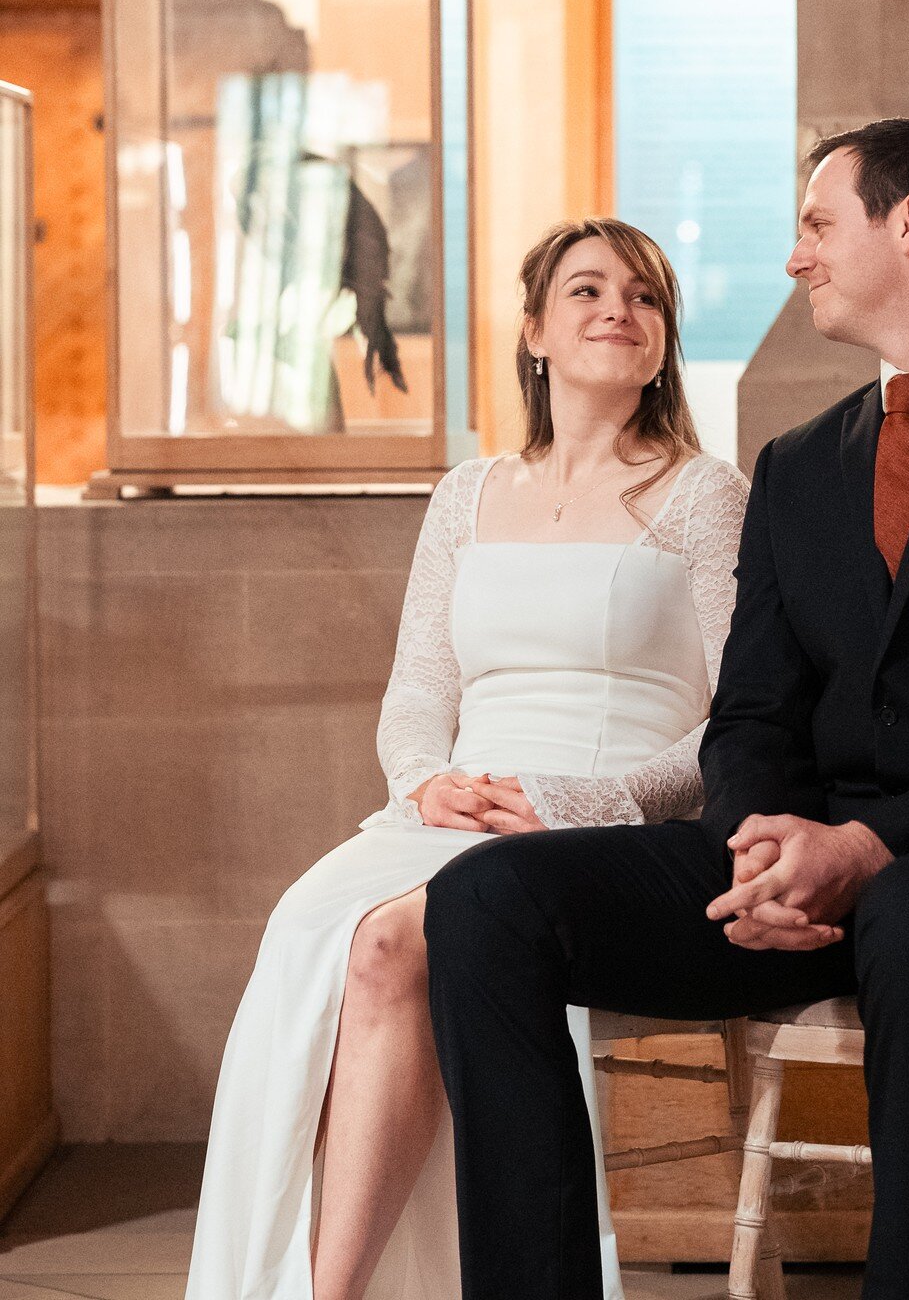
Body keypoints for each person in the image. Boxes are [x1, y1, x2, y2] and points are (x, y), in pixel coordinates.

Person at [425, 116, 909, 1300]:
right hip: (814, 858)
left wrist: (870, 845)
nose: (797, 258)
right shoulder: (800, 463)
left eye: (816, 225)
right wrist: (760, 845)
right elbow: (751, 717)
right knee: (484, 900)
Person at [185, 218, 750, 1300]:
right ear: (534, 331)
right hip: (448, 806)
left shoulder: (703, 496)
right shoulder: (468, 493)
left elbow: (736, 724)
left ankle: (329, 1290)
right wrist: (421, 784)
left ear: (665, 340)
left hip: (597, 821)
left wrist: (589, 797)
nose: (618, 311)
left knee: (401, 943)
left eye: (643, 296)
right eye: (586, 291)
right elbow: (419, 690)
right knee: (326, 937)